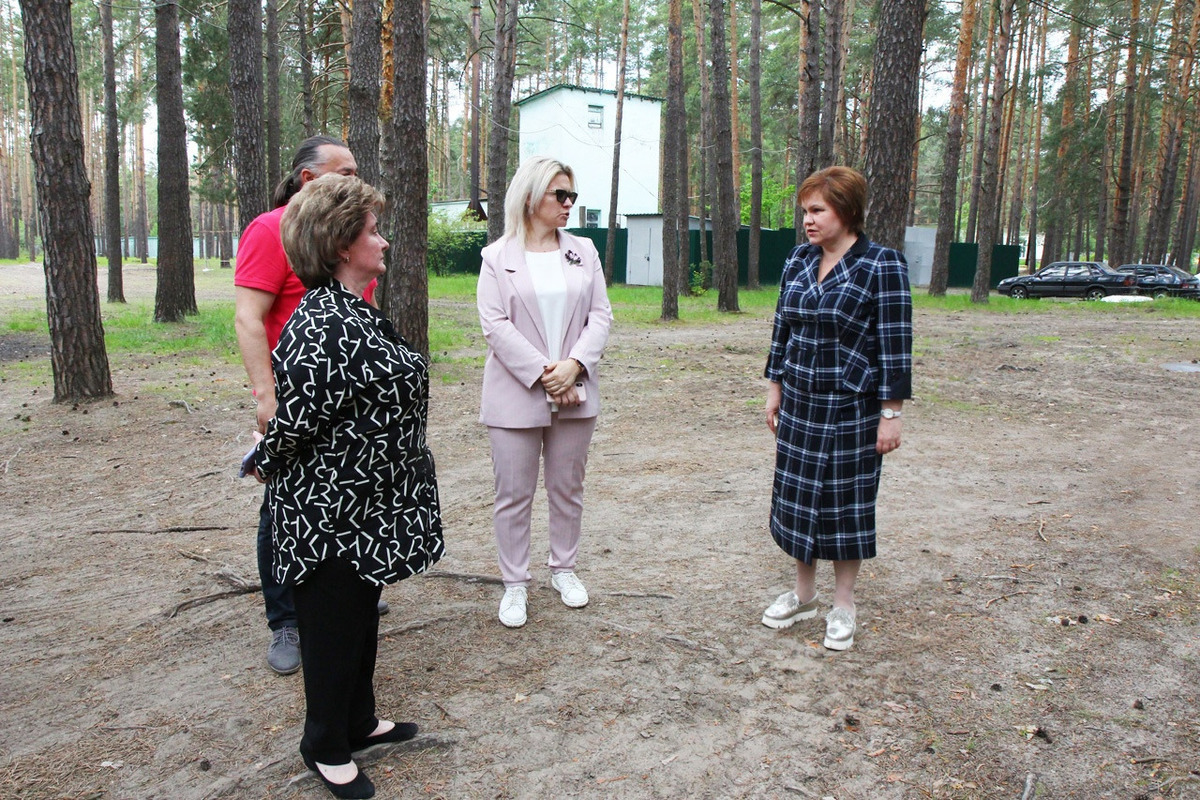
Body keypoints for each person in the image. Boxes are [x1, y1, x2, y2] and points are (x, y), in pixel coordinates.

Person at [252, 173, 444, 799]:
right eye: (373, 232)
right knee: (332, 628)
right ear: (341, 245)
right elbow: (297, 419)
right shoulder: (319, 324)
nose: (384, 243)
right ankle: (324, 744)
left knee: (359, 616)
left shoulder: (352, 312)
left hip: (362, 504)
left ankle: (358, 721)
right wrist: (260, 457)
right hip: (326, 510)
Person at [234, 135, 387, 676]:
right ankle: (287, 620)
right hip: (295, 393)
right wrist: (266, 396)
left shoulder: (344, 237)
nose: (353, 178)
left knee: (341, 495)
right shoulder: (270, 230)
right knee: (283, 504)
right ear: (307, 179)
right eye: (342, 171)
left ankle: (338, 589)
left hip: (342, 398)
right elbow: (250, 318)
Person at [761, 166, 912, 651]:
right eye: (805, 211)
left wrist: (891, 411)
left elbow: (895, 342)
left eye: (817, 210)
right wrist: (774, 387)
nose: (808, 220)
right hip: (801, 402)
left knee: (846, 506)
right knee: (798, 498)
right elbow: (782, 329)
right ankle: (804, 596)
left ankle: (843, 604)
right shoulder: (798, 261)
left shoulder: (881, 264)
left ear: (846, 210)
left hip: (852, 407)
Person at [477, 156, 613, 628]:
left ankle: (564, 569)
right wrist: (545, 373)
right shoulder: (497, 257)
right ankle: (515, 583)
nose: (569, 203)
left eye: (572, 195)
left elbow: (600, 316)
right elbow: (494, 325)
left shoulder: (584, 251)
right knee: (513, 493)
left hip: (576, 391)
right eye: (560, 195)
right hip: (516, 393)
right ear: (532, 196)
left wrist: (575, 367)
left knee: (567, 488)